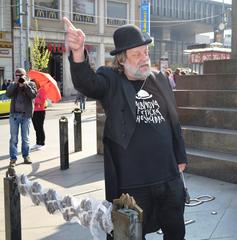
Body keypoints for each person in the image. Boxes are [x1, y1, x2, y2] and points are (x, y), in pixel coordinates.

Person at [64, 17, 187, 240]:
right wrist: (78, 52)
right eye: (137, 54)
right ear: (122, 59)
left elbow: (173, 120)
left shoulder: (158, 78)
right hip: (131, 183)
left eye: (146, 52)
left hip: (168, 176)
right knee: (129, 236)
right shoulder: (111, 80)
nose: (144, 58)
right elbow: (86, 83)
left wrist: (180, 156)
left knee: (176, 232)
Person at [6, 68, 37, 167]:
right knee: (13, 138)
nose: (19, 77)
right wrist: (15, 84)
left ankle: (26, 156)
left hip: (26, 115)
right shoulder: (13, 84)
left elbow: (33, 95)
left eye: (20, 76)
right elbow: (8, 94)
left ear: (25, 75)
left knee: (25, 138)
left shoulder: (31, 84)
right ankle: (13, 159)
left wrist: (25, 85)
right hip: (14, 115)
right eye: (17, 75)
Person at [31, 79, 47, 150]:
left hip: (40, 111)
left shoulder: (42, 90)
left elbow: (42, 101)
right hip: (33, 111)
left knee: (40, 127)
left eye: (34, 84)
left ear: (37, 83)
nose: (33, 85)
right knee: (36, 127)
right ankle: (38, 142)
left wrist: (35, 100)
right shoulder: (34, 91)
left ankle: (42, 143)